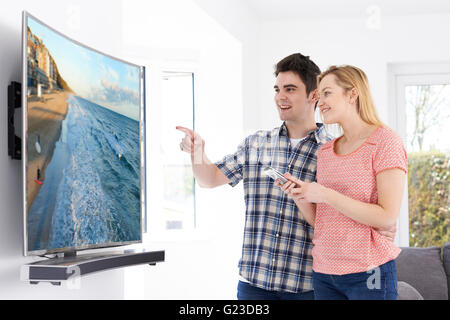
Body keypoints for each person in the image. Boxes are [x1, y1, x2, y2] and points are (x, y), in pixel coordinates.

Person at [177, 55, 395, 300]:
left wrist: (379, 226)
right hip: (254, 283)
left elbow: (345, 212)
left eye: (290, 89)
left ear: (313, 96)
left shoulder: (332, 150)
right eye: (277, 89)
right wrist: (197, 153)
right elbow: (208, 179)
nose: (280, 97)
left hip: (307, 284)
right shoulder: (256, 143)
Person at [277, 65, 407, 300]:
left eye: (327, 93)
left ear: (352, 94)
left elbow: (387, 216)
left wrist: (325, 194)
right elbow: (325, 221)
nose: (320, 102)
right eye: (319, 95)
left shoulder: (385, 142)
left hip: (369, 269)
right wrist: (301, 195)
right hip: (324, 272)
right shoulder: (325, 151)